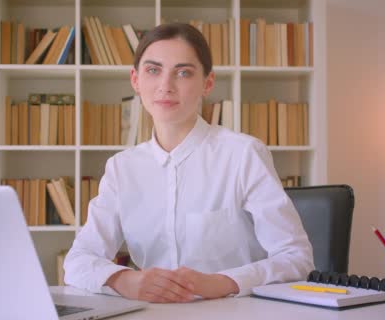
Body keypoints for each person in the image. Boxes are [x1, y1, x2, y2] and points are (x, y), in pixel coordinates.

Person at [64, 23, 313, 303]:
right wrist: (125, 280)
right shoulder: (122, 169)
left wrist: (223, 282)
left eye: (183, 73)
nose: (165, 86)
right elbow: (78, 261)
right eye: (153, 70)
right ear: (135, 79)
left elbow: (297, 259)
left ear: (207, 83)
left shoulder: (243, 155)